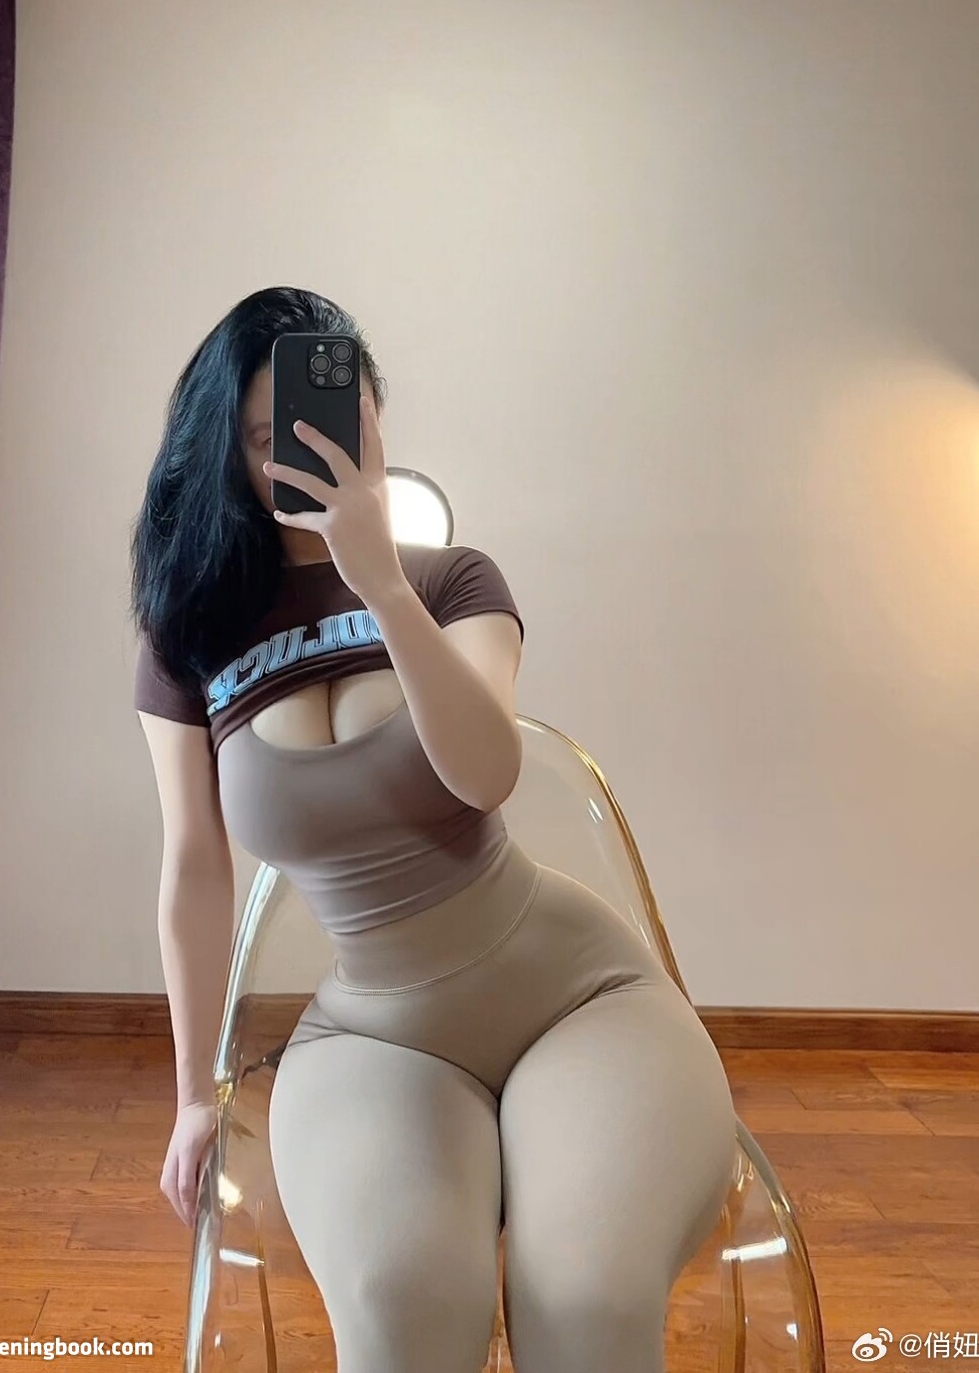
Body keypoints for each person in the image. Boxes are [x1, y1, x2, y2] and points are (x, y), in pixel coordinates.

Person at [132, 285, 736, 1373]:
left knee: (587, 1301)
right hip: (376, 1038)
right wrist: (190, 1096)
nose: (303, 455)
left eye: (337, 424)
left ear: (374, 420)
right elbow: (193, 870)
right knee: (402, 1313)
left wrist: (380, 583)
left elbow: (486, 773)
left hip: (580, 1000)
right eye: (267, 440)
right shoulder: (192, 635)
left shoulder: (453, 580)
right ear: (226, 452)